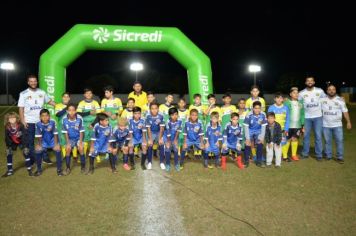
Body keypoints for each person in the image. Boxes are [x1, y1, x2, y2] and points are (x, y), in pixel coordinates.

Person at [18, 74, 56, 165]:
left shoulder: (42, 92)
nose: (33, 83)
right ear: (28, 82)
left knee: (43, 139)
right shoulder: (23, 94)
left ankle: (45, 157)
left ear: (37, 82)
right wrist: (23, 120)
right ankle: (33, 158)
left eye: (34, 81)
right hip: (29, 121)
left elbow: (50, 101)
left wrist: (59, 106)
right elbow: (21, 108)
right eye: (31, 81)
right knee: (30, 141)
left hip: (41, 122)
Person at [320, 84, 352, 163]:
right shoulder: (322, 100)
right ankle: (328, 155)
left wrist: (348, 122)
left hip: (337, 125)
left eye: (333, 89)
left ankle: (340, 157)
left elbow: (345, 112)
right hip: (325, 125)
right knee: (327, 141)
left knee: (339, 141)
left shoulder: (340, 100)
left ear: (335, 90)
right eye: (330, 89)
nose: (331, 91)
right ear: (327, 91)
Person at [298, 76, 326, 160]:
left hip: (318, 117)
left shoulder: (319, 90)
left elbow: (326, 99)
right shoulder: (301, 93)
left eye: (311, 81)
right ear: (305, 83)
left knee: (318, 136)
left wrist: (339, 98)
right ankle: (305, 153)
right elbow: (297, 103)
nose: (309, 82)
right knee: (306, 135)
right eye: (308, 81)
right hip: (307, 118)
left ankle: (319, 155)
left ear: (314, 82)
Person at [2, 112, 33, 177]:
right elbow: (7, 137)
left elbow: (24, 135)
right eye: (10, 118)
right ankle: (10, 171)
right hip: (12, 142)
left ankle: (29, 170)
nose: (12, 119)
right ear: (7, 120)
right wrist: (9, 146)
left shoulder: (20, 125)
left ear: (17, 118)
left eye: (13, 118)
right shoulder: (7, 127)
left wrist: (25, 146)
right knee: (9, 153)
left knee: (26, 153)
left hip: (21, 141)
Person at [34, 109, 63, 176]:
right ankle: (39, 170)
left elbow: (55, 134)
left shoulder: (52, 122)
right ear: (40, 117)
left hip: (53, 140)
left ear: (49, 116)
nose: (45, 117)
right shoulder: (38, 124)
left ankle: (59, 170)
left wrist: (56, 144)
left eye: (46, 115)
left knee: (58, 149)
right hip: (43, 141)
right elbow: (39, 136)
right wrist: (40, 145)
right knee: (38, 150)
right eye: (43, 116)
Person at [76, 88, 101, 162]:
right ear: (84, 95)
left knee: (95, 139)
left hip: (94, 123)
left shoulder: (95, 103)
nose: (88, 95)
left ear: (92, 94)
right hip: (85, 124)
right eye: (87, 93)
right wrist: (89, 113)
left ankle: (96, 154)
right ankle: (83, 156)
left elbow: (99, 114)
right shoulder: (81, 103)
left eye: (90, 93)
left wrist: (93, 124)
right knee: (85, 140)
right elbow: (78, 113)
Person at [62, 104, 85, 174]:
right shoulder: (64, 119)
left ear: (75, 111)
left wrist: (80, 142)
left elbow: (81, 132)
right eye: (69, 110)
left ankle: (83, 167)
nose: (71, 112)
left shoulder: (79, 118)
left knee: (81, 148)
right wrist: (68, 143)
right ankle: (68, 167)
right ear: (67, 111)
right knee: (68, 149)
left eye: (73, 110)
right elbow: (65, 132)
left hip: (78, 138)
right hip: (70, 139)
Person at [244, 101, 267, 168]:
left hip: (258, 130)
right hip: (250, 130)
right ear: (252, 108)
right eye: (255, 108)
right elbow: (246, 127)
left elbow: (263, 127)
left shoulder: (263, 114)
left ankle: (259, 161)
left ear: (261, 108)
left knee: (260, 143)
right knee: (247, 144)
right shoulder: (249, 115)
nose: (257, 110)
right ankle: (246, 161)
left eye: (259, 108)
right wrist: (248, 138)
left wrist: (261, 137)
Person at [267, 93, 290, 161]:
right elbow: (268, 118)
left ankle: (285, 156)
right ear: (275, 99)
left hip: (282, 130)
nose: (279, 99)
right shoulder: (271, 107)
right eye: (278, 98)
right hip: (273, 129)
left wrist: (286, 129)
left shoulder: (286, 108)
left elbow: (288, 119)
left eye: (281, 98)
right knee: (272, 142)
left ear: (283, 99)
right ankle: (272, 156)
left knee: (283, 142)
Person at [284, 87, 305, 161]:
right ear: (290, 94)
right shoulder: (287, 102)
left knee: (295, 139)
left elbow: (302, 114)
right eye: (294, 93)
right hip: (288, 125)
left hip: (297, 125)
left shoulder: (301, 103)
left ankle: (294, 155)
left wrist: (302, 125)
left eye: (297, 93)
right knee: (287, 140)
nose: (296, 94)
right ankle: (285, 155)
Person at [146, 102, 165, 170]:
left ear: (158, 109)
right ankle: (149, 162)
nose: (154, 110)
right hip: (151, 132)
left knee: (161, 143)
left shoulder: (161, 116)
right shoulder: (148, 116)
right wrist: (150, 139)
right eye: (152, 109)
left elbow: (162, 128)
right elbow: (148, 129)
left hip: (158, 132)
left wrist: (160, 138)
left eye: (156, 108)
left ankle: (162, 162)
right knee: (150, 144)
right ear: (150, 109)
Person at [164, 107, 182, 172]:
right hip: (167, 137)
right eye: (172, 115)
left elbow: (178, 131)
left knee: (176, 148)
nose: (174, 116)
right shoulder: (168, 122)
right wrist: (168, 142)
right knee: (168, 148)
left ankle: (176, 164)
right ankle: (168, 164)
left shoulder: (180, 121)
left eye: (176, 114)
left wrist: (175, 140)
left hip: (175, 136)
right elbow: (168, 133)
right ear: (170, 115)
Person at [55, 92, 71, 157]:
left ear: (69, 98)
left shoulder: (72, 106)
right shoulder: (58, 105)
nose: (65, 98)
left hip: (70, 125)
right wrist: (66, 108)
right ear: (62, 98)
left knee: (70, 139)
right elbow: (58, 114)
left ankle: (72, 154)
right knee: (62, 140)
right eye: (64, 96)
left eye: (67, 97)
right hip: (61, 126)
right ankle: (65, 155)